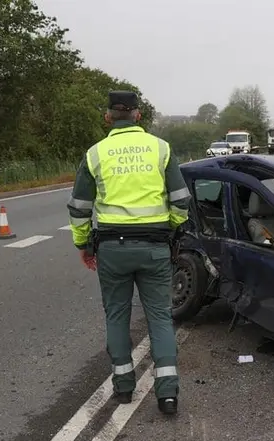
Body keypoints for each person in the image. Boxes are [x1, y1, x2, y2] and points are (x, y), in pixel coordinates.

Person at [67, 91, 190, 415]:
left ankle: (123, 387)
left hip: (111, 249)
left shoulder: (95, 154)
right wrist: (172, 228)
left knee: (117, 317)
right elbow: (180, 201)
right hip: (154, 248)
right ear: (138, 115)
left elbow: (80, 208)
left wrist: (83, 244)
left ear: (108, 117)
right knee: (160, 318)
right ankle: (167, 396)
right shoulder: (161, 149)